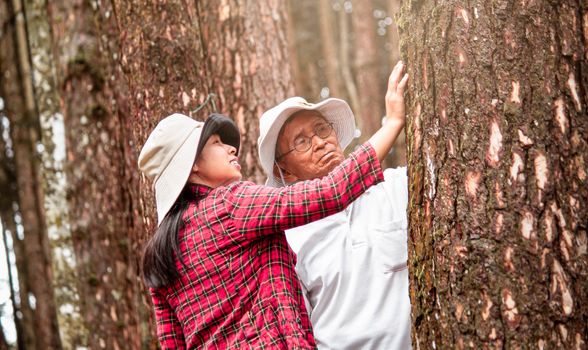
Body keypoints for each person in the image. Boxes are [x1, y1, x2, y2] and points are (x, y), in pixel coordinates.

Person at [137, 62, 407, 349]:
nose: (231, 148)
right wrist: (391, 123)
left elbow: (171, 344)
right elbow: (330, 191)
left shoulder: (159, 253)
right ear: (191, 168)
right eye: (216, 143)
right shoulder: (229, 203)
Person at [257, 61, 411, 349]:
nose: (319, 142)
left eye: (322, 129)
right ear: (286, 172)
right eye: (301, 142)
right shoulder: (287, 240)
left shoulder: (394, 186)